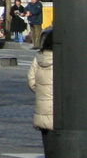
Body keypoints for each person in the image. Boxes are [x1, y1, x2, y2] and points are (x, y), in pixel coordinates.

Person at [31, 28, 55, 157]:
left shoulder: (39, 58)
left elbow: (31, 80)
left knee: (48, 146)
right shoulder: (63, 57)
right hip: (58, 111)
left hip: (42, 109)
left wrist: (42, 92)